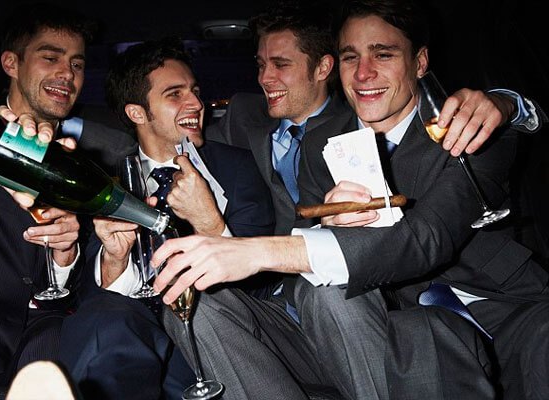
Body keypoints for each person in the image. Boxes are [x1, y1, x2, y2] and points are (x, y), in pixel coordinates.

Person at [153, 1, 549, 399]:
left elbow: (428, 238)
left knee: (389, 315)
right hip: (360, 323)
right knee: (201, 307)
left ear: (420, 62)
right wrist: (328, 228)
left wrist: (258, 251)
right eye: (350, 57)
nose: (363, 74)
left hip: (483, 302)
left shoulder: (467, 127)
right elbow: (309, 256)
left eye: (383, 55)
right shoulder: (319, 143)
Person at [205, 1, 543, 236]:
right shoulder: (252, 118)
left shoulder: (437, 120)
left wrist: (508, 103)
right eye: (261, 65)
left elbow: (425, 235)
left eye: (382, 55)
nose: (264, 78)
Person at [57, 37, 276, 400]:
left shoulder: (237, 168)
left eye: (195, 91)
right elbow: (92, 298)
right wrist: (115, 259)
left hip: (213, 335)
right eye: (175, 94)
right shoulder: (108, 180)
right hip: (130, 338)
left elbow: (261, 287)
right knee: (104, 322)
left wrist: (210, 223)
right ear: (137, 113)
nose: (196, 104)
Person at [0, 4, 96, 399]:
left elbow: (75, 288)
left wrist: (65, 256)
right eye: (51, 57)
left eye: (77, 64)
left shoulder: (84, 165)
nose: (67, 74)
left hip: (37, 332)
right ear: (11, 63)